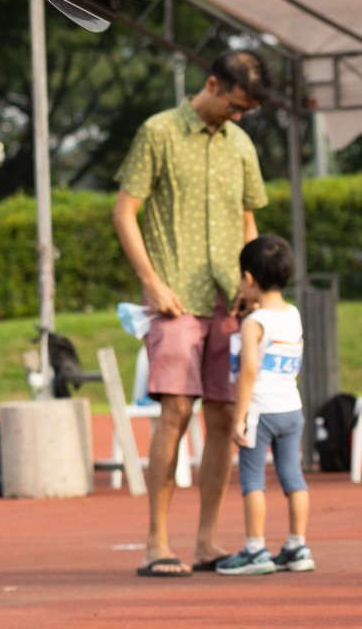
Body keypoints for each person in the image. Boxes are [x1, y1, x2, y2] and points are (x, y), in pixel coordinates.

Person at [113, 49, 270, 578]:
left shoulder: (241, 144)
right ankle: (156, 541)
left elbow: (249, 221)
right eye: (235, 104)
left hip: (229, 300)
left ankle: (206, 540)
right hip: (175, 299)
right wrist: (152, 282)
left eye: (246, 110)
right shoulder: (158, 131)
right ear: (211, 83)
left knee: (224, 418)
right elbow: (124, 213)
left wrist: (255, 284)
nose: (238, 116)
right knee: (175, 412)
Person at [216, 234, 311, 576]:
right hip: (291, 408)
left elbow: (249, 371)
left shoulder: (253, 323)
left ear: (249, 279)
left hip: (260, 410)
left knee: (252, 478)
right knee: (292, 475)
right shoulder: (293, 313)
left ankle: (256, 548)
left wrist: (239, 417)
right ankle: (298, 544)